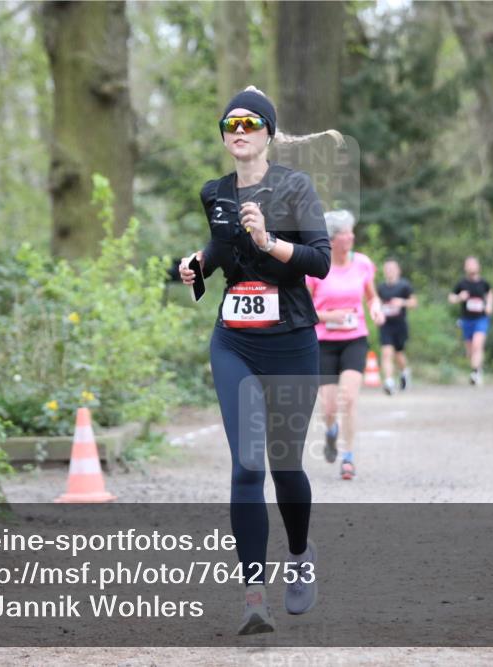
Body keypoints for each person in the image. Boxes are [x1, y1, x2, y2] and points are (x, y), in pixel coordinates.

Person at [178, 86, 331, 635]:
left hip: (290, 341)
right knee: (247, 465)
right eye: (230, 125)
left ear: (267, 132)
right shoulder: (214, 192)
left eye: (250, 123)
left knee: (285, 464)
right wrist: (196, 266)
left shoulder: (295, 186)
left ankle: (298, 555)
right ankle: (252, 597)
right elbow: (220, 251)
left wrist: (269, 242)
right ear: (224, 137)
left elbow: (320, 262)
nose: (239, 131)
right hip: (234, 342)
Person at [306, 210, 385, 480]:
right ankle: (331, 433)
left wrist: (376, 310)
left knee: (349, 399)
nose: (351, 236)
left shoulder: (362, 264)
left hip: (355, 339)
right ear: (330, 239)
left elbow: (372, 297)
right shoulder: (316, 267)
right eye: (344, 233)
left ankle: (348, 457)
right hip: (324, 343)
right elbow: (302, 309)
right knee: (329, 408)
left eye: (351, 231)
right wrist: (329, 316)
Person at [449, 256, 493, 386]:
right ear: (465, 268)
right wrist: (459, 297)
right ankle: (477, 369)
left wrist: (490, 305)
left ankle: (475, 372)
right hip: (466, 320)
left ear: (478, 267)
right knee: (470, 352)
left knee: (477, 344)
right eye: (468, 265)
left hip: (481, 319)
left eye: (473, 264)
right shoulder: (461, 284)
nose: (471, 267)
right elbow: (451, 298)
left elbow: (490, 293)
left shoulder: (484, 283)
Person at [377, 260, 416, 394]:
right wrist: (378, 313)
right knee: (386, 353)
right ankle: (389, 382)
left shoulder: (404, 286)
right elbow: (378, 303)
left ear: (398, 270)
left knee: (398, 353)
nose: (389, 271)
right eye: (387, 268)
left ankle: (404, 372)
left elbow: (414, 303)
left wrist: (402, 302)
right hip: (385, 325)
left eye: (392, 268)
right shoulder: (381, 287)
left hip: (400, 325)